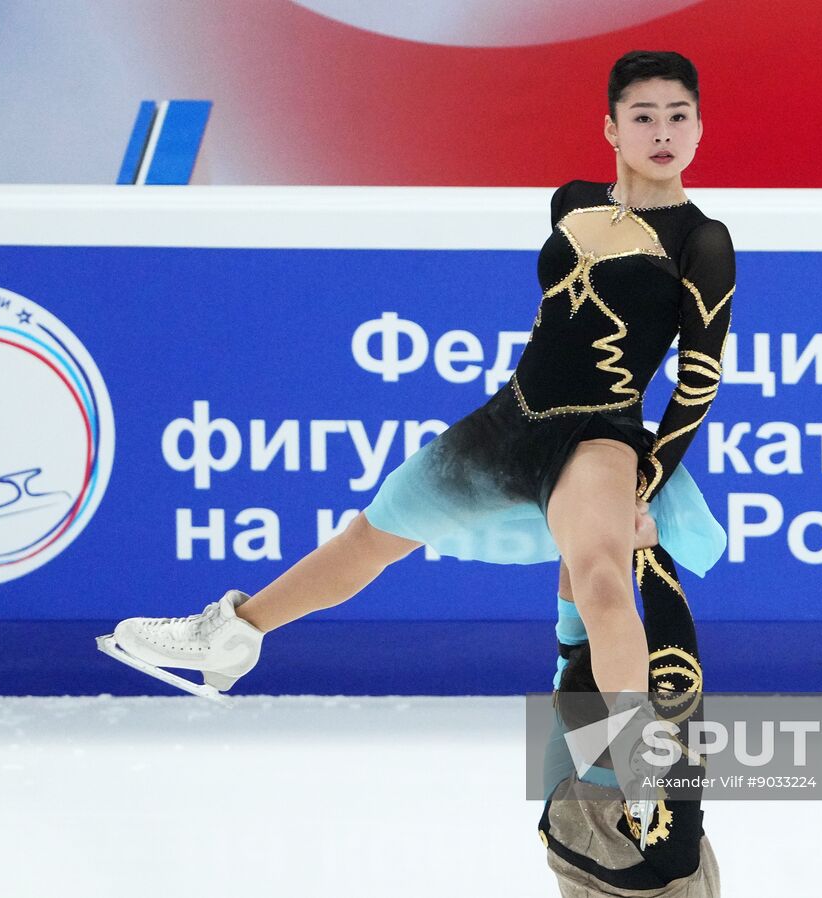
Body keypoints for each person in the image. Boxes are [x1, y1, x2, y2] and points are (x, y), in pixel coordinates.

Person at [98, 48, 735, 773]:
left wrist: (644, 485)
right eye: (643, 116)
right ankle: (233, 634)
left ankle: (628, 768)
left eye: (679, 116)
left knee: (599, 574)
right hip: (511, 418)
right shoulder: (571, 201)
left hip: (601, 434)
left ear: (699, 128)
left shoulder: (703, 240)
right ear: (612, 129)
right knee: (370, 534)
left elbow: (698, 382)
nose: (663, 131)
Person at [541, 543, 719, 897]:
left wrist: (586, 527)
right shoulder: (656, 836)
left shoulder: (560, 811)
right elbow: (679, 673)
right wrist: (645, 545)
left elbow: (572, 644)